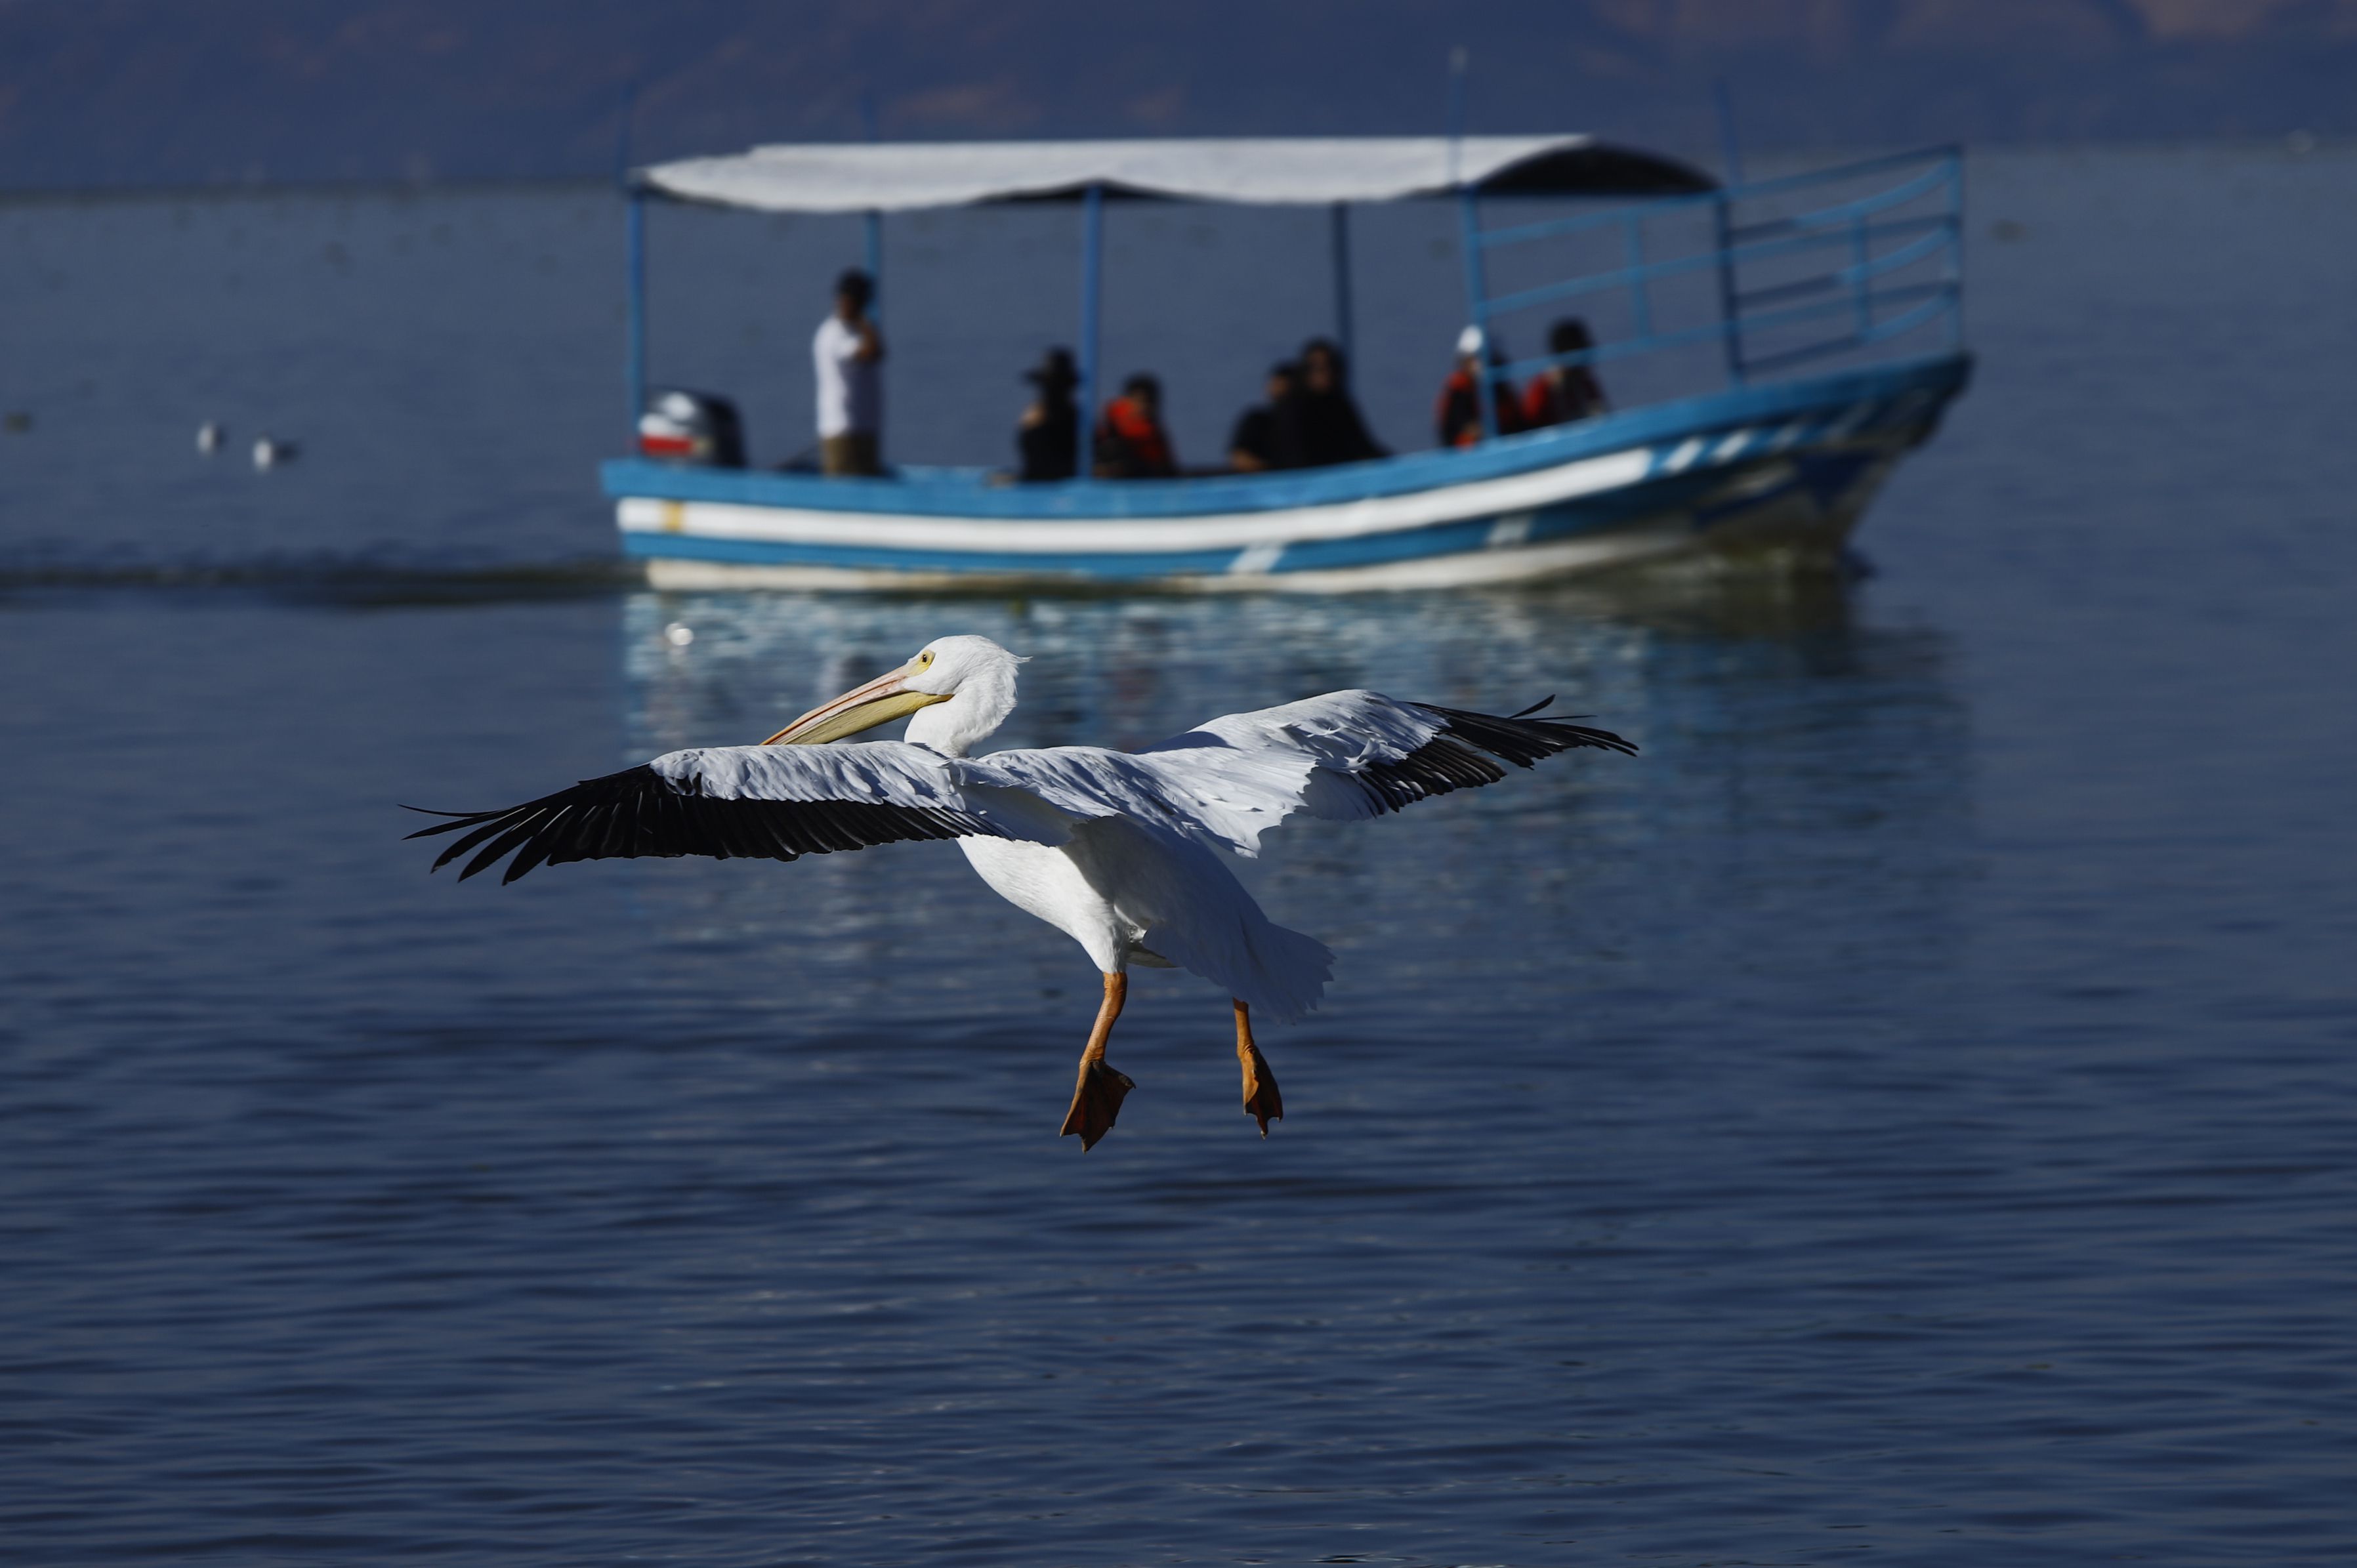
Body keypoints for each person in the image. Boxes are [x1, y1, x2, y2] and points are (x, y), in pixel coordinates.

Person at [812, 268, 883, 476]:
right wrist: (866, 323)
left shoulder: (854, 332)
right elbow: (872, 352)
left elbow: (878, 352)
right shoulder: (833, 334)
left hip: (865, 428)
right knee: (844, 488)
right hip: (841, 431)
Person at [1283, 337, 1387, 467]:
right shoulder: (1292, 409)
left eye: (1331, 366)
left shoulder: (1340, 407)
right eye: (1318, 368)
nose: (1326, 374)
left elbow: (1362, 447)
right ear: (1306, 371)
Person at [1434, 325, 1527, 449]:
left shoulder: (1500, 388)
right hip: (1468, 456)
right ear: (1465, 361)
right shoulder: (1458, 390)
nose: (1483, 364)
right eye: (1477, 358)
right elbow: (1458, 428)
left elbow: (1517, 421)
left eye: (1488, 358)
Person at [1522, 317, 1610, 429]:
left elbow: (1601, 416)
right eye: (1583, 347)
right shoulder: (1543, 388)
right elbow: (1532, 427)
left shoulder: (1584, 384)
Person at [1095, 373, 1178, 478]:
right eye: (1140, 401)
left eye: (1149, 403)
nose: (1144, 407)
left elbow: (1163, 464)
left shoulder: (1151, 432)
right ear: (1128, 400)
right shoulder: (1114, 414)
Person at [1016, 347, 1081, 482]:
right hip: (1039, 481)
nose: (1054, 392)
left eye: (1058, 386)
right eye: (1050, 387)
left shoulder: (1075, 417)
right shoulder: (1034, 418)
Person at [1227, 361, 1297, 472]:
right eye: (1277, 385)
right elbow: (1240, 458)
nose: (1281, 390)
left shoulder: (1305, 425)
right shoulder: (1258, 421)